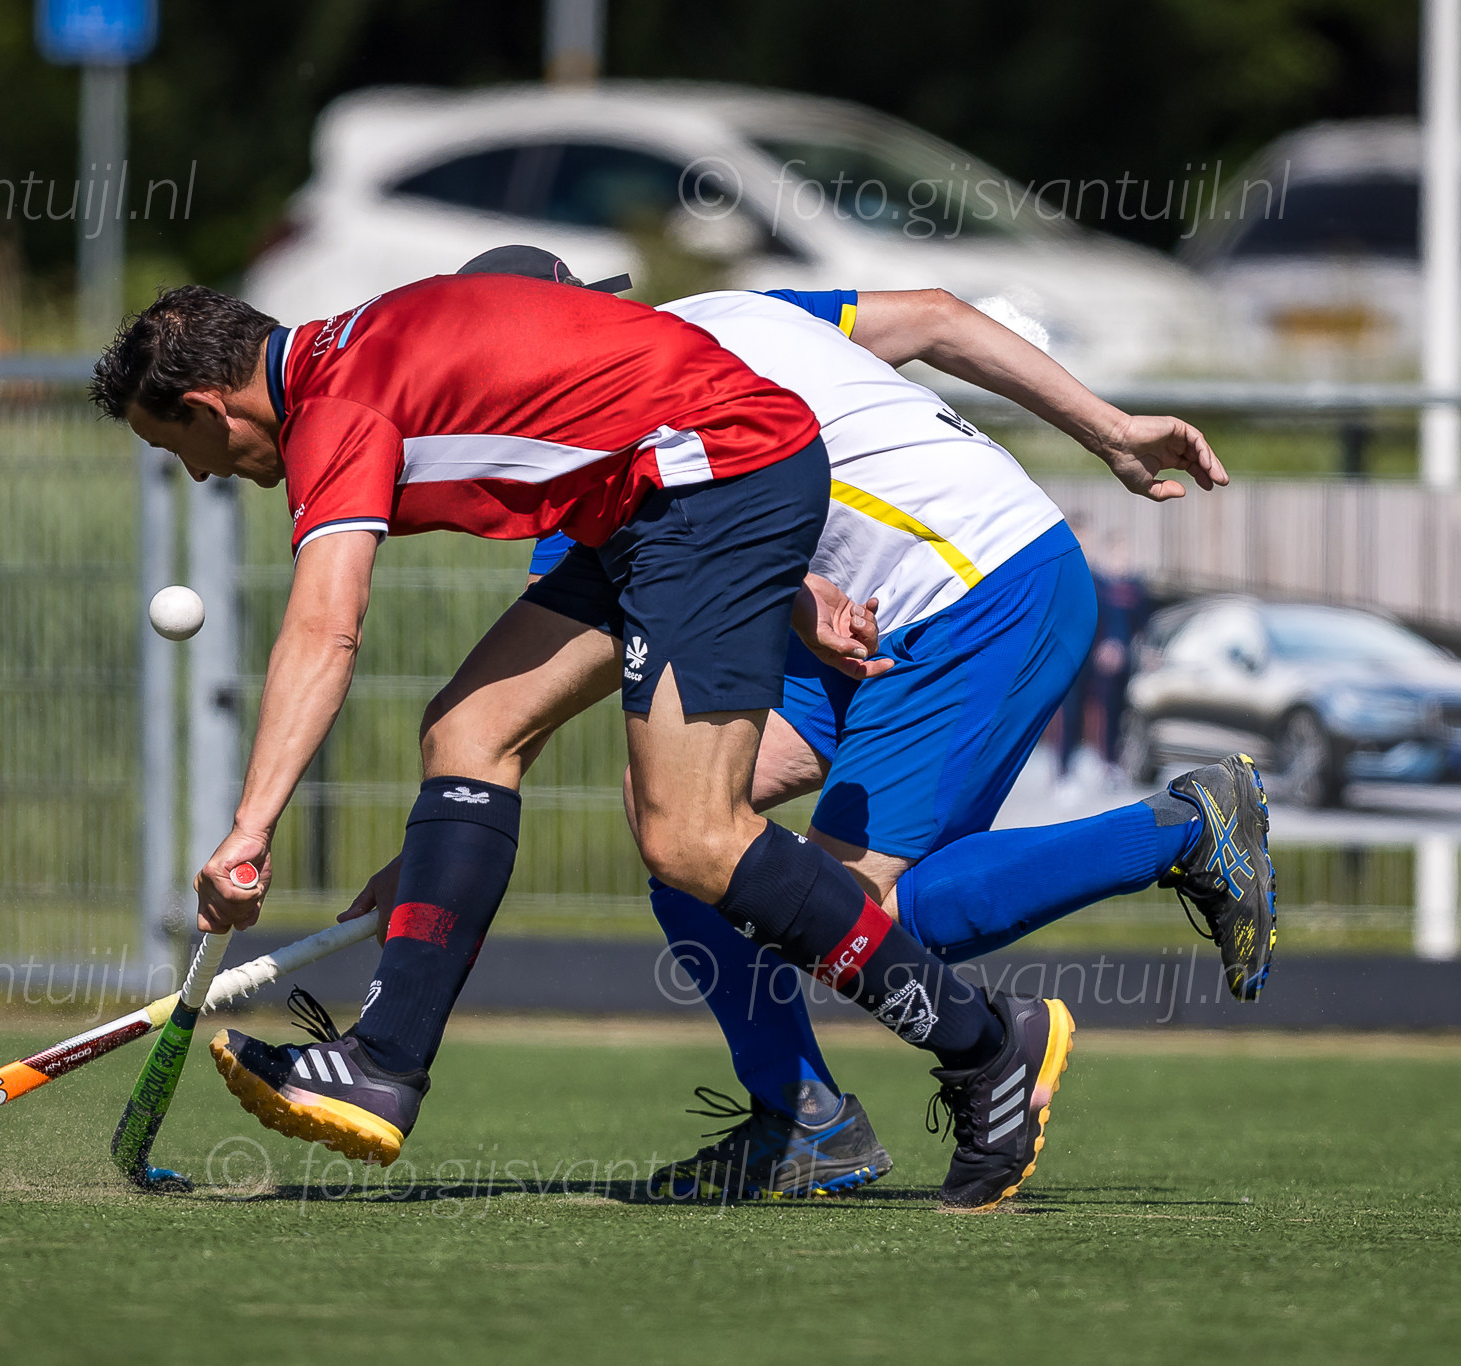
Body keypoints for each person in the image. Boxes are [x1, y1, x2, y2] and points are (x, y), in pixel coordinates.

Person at [98, 270, 1076, 1210]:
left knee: (691, 839)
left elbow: (326, 629)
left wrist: (249, 831)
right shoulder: (351, 346)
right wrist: (437, 865)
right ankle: (382, 1063)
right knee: (468, 730)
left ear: (209, 405)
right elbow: (635, 390)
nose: (199, 471)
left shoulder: (335, 408)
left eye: (177, 445)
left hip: (706, 487)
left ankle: (986, 1045)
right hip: (659, 499)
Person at [463, 250, 1271, 1202]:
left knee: (852, 915)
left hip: (980, 589)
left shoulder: (596, 423)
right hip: (862, 617)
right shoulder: (732, 311)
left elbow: (539, 686)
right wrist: (1112, 430)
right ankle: (803, 1119)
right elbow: (935, 315)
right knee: (681, 823)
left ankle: (1182, 830)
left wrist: (451, 835)